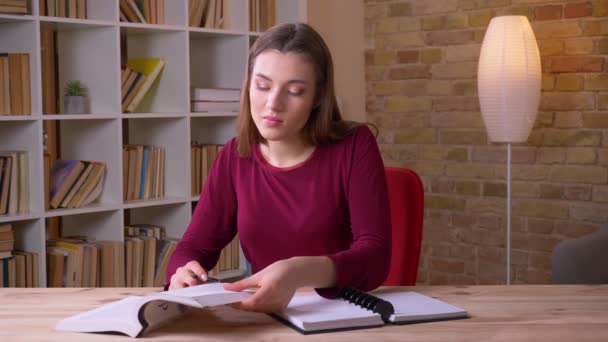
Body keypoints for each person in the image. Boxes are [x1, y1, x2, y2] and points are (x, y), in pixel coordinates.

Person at [166, 22, 391, 313]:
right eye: (262, 86)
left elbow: (375, 257)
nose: (273, 104)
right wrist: (183, 273)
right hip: (270, 317)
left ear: (318, 97)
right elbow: (192, 248)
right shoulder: (235, 156)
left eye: (295, 91)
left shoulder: (355, 145)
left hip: (343, 314)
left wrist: (297, 271)